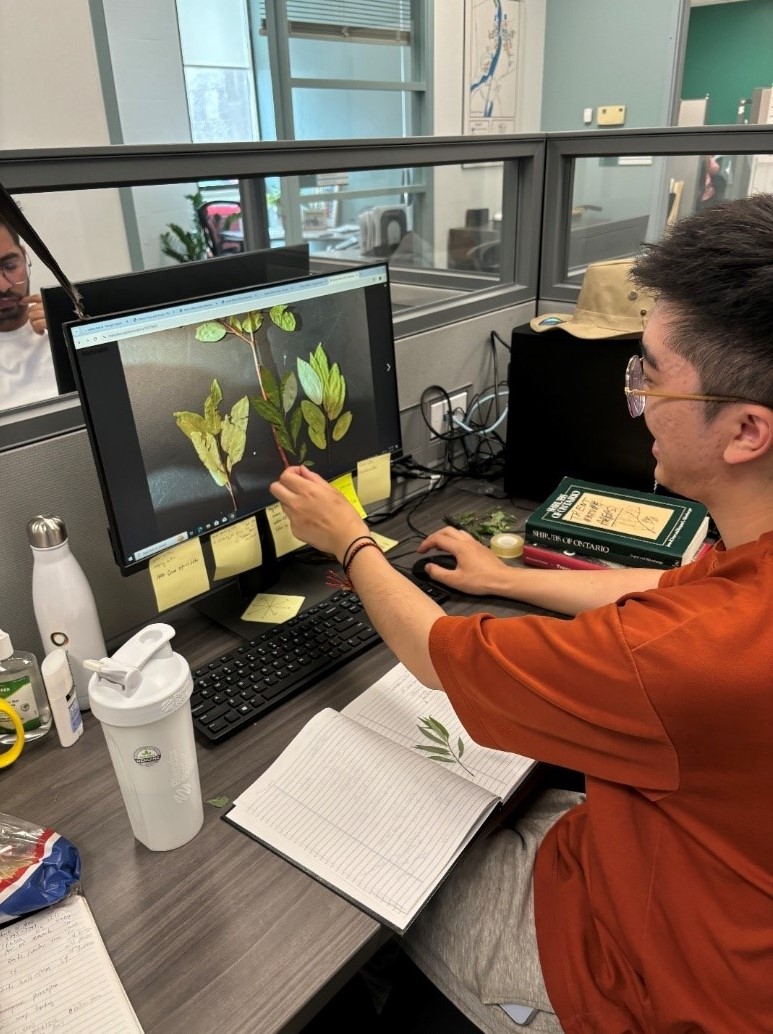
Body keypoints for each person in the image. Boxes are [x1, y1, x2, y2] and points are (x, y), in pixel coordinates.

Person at [270, 193, 773, 1033]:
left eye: (647, 372)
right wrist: (507, 580)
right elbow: (654, 593)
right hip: (679, 868)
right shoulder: (743, 569)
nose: (634, 397)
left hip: (654, 974)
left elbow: (434, 655)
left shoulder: (695, 657)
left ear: (746, 431)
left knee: (380, 876)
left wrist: (350, 542)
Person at [0, 217, 55, 409]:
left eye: (10, 266)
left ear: (24, 257)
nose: (4, 285)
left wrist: (75, 337)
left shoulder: (60, 326)